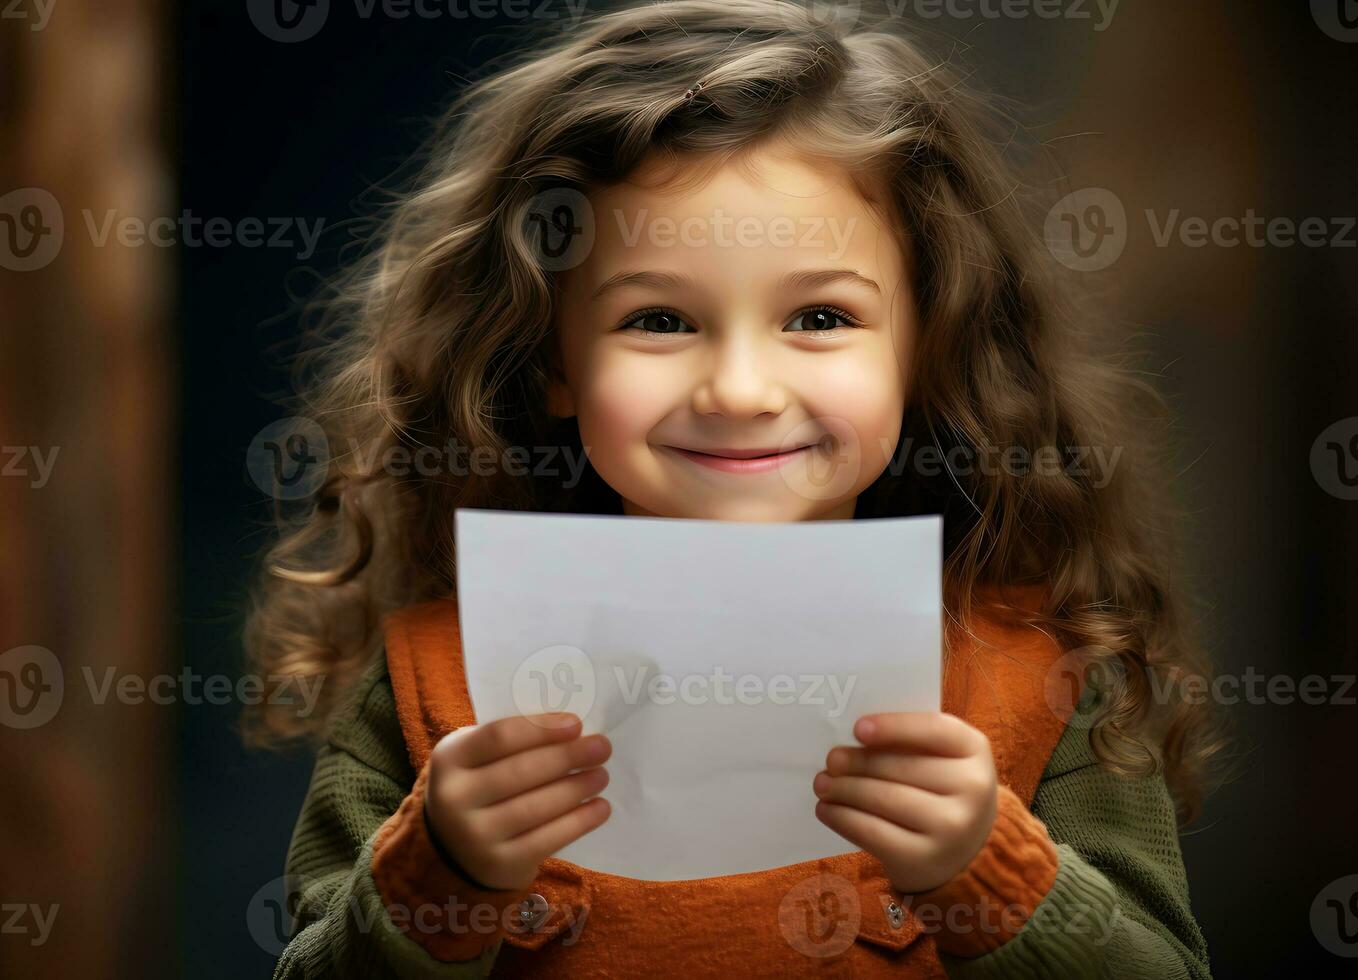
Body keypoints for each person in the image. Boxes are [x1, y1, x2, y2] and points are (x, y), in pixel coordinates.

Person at [244, 2, 1226, 975]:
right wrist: (437, 872)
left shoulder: (1051, 679)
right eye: (662, 320)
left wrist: (994, 870)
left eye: (822, 314)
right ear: (552, 358)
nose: (742, 391)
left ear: (929, 348)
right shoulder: (432, 685)